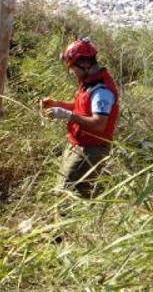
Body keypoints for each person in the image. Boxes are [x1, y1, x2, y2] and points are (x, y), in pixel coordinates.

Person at [42, 38, 120, 198]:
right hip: (78, 145)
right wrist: (57, 104)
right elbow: (80, 108)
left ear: (85, 65)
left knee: (66, 194)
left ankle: (65, 221)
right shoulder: (89, 83)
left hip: (91, 149)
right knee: (71, 191)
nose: (71, 72)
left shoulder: (101, 91)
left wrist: (66, 116)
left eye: (72, 68)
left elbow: (99, 124)